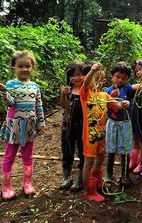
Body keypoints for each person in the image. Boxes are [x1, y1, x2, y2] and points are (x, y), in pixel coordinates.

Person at [0, 50, 45, 200]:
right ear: (14, 69)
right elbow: (11, 103)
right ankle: (6, 186)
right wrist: (5, 92)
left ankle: (27, 183)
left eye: (27, 66)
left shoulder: (35, 86)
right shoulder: (11, 84)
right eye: (20, 66)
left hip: (30, 124)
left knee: (28, 155)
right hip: (14, 125)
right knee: (9, 155)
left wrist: (41, 122)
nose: (24, 69)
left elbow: (38, 105)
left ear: (32, 68)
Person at [80, 63, 129, 201]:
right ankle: (88, 190)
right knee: (88, 162)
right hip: (90, 135)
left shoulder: (104, 95)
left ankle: (95, 183)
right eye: (97, 79)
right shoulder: (86, 94)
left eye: (102, 79)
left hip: (101, 134)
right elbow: (85, 84)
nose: (100, 82)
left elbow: (117, 105)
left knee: (101, 157)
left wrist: (124, 104)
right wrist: (92, 70)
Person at [104, 62, 139, 187]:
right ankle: (108, 174)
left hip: (125, 124)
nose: (120, 80)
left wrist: (128, 103)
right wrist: (111, 97)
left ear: (127, 79)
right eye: (117, 76)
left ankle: (124, 175)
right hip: (112, 123)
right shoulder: (107, 90)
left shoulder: (128, 89)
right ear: (112, 76)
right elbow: (105, 103)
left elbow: (138, 87)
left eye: (124, 78)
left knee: (125, 150)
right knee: (111, 149)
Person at [59, 61, 85, 191]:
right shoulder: (68, 89)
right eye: (72, 75)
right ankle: (66, 177)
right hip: (67, 125)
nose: (76, 78)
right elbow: (64, 106)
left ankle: (81, 178)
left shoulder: (86, 90)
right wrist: (63, 95)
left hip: (83, 126)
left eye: (79, 74)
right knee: (67, 150)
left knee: (82, 152)